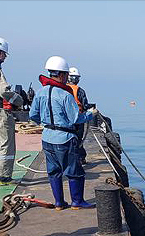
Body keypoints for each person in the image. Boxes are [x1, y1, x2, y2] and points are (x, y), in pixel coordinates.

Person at [29, 56, 98, 210]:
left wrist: (46, 122)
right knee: (75, 172)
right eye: (66, 75)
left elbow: (33, 115)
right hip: (65, 138)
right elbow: (76, 118)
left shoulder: (40, 92)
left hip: (47, 137)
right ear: (62, 75)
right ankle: (77, 201)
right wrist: (91, 114)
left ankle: (59, 203)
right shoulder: (65, 95)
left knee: (53, 171)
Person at [0, 36, 23, 185]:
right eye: (3, 54)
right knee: (6, 143)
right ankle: (4, 177)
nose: (4, 57)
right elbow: (4, 90)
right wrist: (18, 100)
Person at [67, 67, 88, 164]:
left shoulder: (62, 89)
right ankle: (80, 158)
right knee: (78, 140)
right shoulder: (80, 91)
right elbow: (85, 105)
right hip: (78, 119)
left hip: (66, 119)